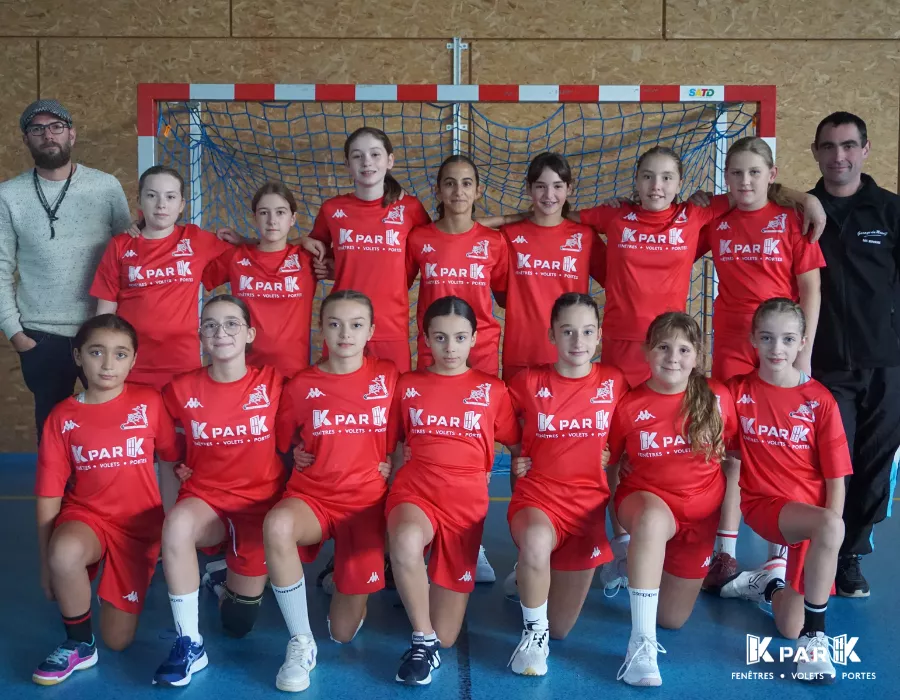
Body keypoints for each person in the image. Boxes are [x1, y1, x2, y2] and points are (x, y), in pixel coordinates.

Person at [581, 145, 826, 594]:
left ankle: (766, 555)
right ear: (635, 181)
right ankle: (634, 543)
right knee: (629, 446)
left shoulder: (738, 216)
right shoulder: (682, 219)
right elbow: (560, 214)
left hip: (733, 347)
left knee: (764, 440)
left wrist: (805, 198)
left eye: (667, 178)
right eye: (736, 173)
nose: (744, 181)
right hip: (661, 347)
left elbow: (806, 276)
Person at [698, 136, 826, 592]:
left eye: (755, 172)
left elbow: (809, 289)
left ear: (772, 177)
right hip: (732, 345)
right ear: (725, 178)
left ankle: (777, 557)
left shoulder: (792, 219)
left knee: (781, 448)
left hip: (779, 346)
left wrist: (803, 350)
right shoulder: (716, 219)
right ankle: (726, 553)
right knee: (732, 450)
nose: (745, 181)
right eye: (736, 173)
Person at [32, 314, 181, 685]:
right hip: (88, 517)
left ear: (133, 360)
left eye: (120, 354)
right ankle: (79, 644)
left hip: (139, 528)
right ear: (78, 355)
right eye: (97, 352)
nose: (108, 364)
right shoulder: (62, 417)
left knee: (118, 641)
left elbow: (170, 463)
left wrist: (171, 526)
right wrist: (46, 564)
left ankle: (101, 592)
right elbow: (49, 496)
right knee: (64, 554)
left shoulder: (148, 402)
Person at [265, 290, 398, 692]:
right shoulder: (301, 384)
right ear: (320, 329)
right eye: (335, 324)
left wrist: (393, 463)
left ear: (371, 330)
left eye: (357, 325)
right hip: (314, 497)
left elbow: (410, 430)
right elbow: (280, 442)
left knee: (342, 633)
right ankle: (300, 642)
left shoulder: (388, 375)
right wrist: (297, 455)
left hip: (366, 503)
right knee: (277, 526)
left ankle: (341, 576)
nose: (345, 334)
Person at [152, 295, 286, 687]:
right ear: (201, 337)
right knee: (176, 528)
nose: (220, 332)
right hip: (207, 500)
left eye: (231, 324)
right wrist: (169, 506)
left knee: (238, 625)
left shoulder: (274, 382)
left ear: (249, 333)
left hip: (259, 508)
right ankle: (189, 644)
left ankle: (219, 580)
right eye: (210, 325)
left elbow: (314, 428)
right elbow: (166, 455)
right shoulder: (179, 390)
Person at [387, 296, 520, 685]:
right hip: (417, 491)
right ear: (426, 338)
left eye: (459, 337)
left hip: (466, 507)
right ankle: (420, 640)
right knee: (407, 539)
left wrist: (528, 464)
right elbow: (386, 439)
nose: (450, 348)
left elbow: (518, 443)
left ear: (474, 339)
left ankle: (430, 628)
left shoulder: (492, 390)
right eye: (440, 337)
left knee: (449, 635)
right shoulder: (407, 386)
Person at [722, 298, 852, 683]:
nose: (777, 348)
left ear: (801, 343)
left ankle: (767, 584)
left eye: (787, 339)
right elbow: (713, 442)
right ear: (753, 341)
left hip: (811, 519)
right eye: (767, 337)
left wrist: (831, 532)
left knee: (787, 626)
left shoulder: (820, 401)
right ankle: (817, 641)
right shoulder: (737, 391)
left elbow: (836, 478)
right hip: (765, 505)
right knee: (828, 528)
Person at [606, 312, 737, 687]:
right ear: (647, 352)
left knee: (673, 619)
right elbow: (612, 467)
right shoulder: (629, 406)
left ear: (697, 355)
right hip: (647, 501)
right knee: (649, 522)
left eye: (683, 349)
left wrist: (728, 539)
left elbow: (734, 462)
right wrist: (619, 536)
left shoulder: (718, 400)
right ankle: (640, 645)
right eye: (663, 347)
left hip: (700, 519)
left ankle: (643, 571)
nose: (672, 357)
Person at [504, 293, 625, 676]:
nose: (578, 342)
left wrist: (614, 453)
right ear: (552, 335)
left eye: (587, 332)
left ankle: (530, 577)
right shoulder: (528, 381)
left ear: (599, 335)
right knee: (537, 542)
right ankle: (532, 633)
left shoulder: (614, 381)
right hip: (538, 497)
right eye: (568, 331)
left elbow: (637, 427)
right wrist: (516, 452)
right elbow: (489, 417)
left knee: (562, 629)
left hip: (587, 510)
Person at [0, 99, 132, 441]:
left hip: (100, 331)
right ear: (26, 139)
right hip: (40, 337)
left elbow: (127, 257)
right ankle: (56, 497)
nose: (48, 135)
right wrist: (16, 334)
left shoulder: (105, 187)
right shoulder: (8, 196)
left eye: (56, 127)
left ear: (71, 135)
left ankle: (106, 497)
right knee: (53, 435)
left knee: (107, 432)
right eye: (37, 129)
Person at [808, 111, 900, 597]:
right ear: (816, 153)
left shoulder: (890, 211)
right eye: (828, 146)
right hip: (824, 365)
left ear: (865, 150)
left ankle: (851, 554)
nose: (838, 156)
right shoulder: (800, 212)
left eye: (847, 145)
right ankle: (824, 545)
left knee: (875, 460)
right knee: (832, 463)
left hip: (887, 364)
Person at [90, 166, 233, 391]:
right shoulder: (120, 245)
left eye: (170, 196)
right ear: (139, 201)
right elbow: (104, 315)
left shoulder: (196, 239)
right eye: (151, 195)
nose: (161, 204)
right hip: (130, 363)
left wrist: (250, 240)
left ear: (182, 205)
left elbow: (254, 255)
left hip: (182, 363)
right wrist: (104, 360)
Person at [308, 127, 431, 373]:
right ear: (347, 164)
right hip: (342, 328)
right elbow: (312, 253)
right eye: (357, 156)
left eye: (375, 154)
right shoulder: (332, 209)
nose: (367, 162)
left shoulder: (410, 209)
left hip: (390, 328)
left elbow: (444, 238)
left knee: (391, 406)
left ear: (390, 161)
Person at [500, 152, 603, 382]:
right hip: (521, 354)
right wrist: (507, 219)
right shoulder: (509, 236)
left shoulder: (584, 237)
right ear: (528, 188)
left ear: (569, 189)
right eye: (540, 186)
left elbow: (615, 280)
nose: (549, 195)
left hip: (569, 357)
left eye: (557, 186)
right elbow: (500, 294)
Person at [203, 181, 317, 378]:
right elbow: (191, 273)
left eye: (280, 212)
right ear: (255, 218)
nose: (272, 220)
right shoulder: (235, 258)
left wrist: (301, 241)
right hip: (244, 371)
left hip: (294, 372)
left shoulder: (308, 259)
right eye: (264, 213)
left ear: (293, 218)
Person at [406, 155, 508, 375]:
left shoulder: (494, 242)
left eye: (466, 183)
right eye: (450, 183)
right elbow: (395, 282)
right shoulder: (418, 238)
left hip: (481, 347)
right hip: (435, 345)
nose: (458, 191)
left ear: (478, 191)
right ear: (438, 191)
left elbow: (505, 296)